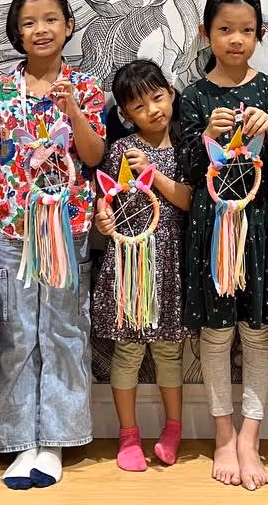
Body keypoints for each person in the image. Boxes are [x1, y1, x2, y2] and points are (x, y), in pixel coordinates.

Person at [0, 0, 105, 489]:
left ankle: (55, 439)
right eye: (29, 22)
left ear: (68, 26)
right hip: (12, 225)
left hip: (67, 226)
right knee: (15, 331)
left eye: (51, 19)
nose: (40, 30)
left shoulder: (89, 87)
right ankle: (18, 440)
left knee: (63, 328)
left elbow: (95, 156)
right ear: (17, 31)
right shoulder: (0, 89)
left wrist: (73, 109)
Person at [180, 0, 268, 491]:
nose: (236, 40)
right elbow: (185, 170)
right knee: (216, 330)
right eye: (225, 30)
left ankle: (251, 434)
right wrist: (206, 132)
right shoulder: (193, 96)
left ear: (260, 35)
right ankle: (222, 432)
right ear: (205, 33)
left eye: (247, 31)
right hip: (210, 228)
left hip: (261, 225)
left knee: (257, 330)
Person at [92, 59, 191, 471]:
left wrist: (154, 174)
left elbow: (189, 201)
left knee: (169, 352)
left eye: (157, 97)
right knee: (128, 352)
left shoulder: (188, 147)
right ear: (125, 115)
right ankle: (128, 435)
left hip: (171, 263)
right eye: (138, 106)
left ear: (170, 93)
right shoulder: (120, 150)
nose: (153, 110)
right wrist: (102, 217)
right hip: (131, 264)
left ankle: (173, 429)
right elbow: (107, 198)